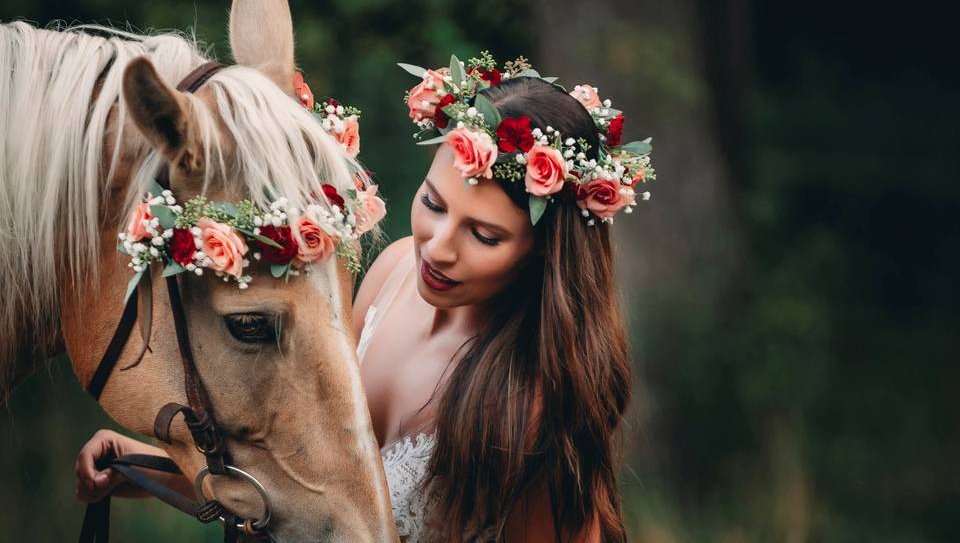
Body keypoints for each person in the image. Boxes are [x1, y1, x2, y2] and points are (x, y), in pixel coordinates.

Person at [75, 53, 655, 542]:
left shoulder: (532, 411)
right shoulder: (395, 269)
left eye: (483, 235)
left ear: (544, 252)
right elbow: (321, 491)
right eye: (432, 202)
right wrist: (163, 470)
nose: (438, 247)